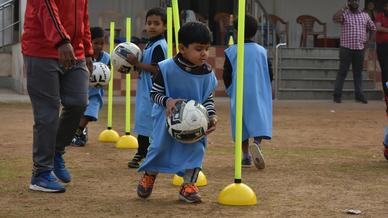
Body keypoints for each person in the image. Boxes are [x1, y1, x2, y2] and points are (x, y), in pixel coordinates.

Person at [136, 22, 217, 203]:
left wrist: (211, 116)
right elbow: (154, 93)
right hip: (166, 120)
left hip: (196, 122)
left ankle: (188, 186)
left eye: (207, 49)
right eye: (198, 49)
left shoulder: (207, 73)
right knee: (158, 148)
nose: (204, 53)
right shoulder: (166, 68)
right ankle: (150, 174)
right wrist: (168, 101)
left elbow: (208, 99)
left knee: (196, 150)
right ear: (182, 48)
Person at [22, 0, 93, 193]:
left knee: (79, 103)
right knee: (47, 113)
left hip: (74, 51)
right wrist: (61, 40)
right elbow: (46, 7)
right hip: (42, 50)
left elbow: (83, 17)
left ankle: (56, 152)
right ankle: (41, 173)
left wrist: (87, 50)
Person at [222, 14, 272, 169]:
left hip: (239, 92)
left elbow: (226, 74)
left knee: (240, 123)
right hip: (259, 91)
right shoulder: (262, 51)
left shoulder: (231, 51)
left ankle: (244, 155)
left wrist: (230, 90)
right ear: (255, 32)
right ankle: (256, 143)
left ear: (237, 31)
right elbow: (269, 72)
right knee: (259, 118)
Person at [124, 7, 168, 168]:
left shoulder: (159, 45)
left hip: (154, 91)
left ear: (164, 27)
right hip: (145, 90)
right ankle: (142, 152)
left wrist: (137, 63)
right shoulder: (151, 43)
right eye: (149, 23)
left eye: (156, 23)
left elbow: (157, 68)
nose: (152, 26)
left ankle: (147, 153)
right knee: (143, 122)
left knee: (152, 123)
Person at [70, 27, 110, 147]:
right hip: (81, 91)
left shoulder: (106, 58)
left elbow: (109, 72)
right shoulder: (82, 56)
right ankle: (81, 133)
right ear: (89, 42)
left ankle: (77, 133)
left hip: (95, 93)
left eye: (102, 43)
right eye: (96, 43)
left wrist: (105, 79)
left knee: (90, 114)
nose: (99, 46)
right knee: (79, 113)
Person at [333, 0, 376, 104]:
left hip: (360, 49)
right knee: (342, 72)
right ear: (349, 2)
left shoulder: (365, 15)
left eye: (356, 0)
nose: (354, 2)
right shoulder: (345, 15)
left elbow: (373, 28)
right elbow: (335, 18)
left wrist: (368, 43)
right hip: (346, 48)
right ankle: (337, 96)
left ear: (359, 2)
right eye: (352, 1)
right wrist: (344, 8)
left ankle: (359, 95)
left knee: (358, 74)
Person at [376, 2, 388, 115]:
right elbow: (378, 28)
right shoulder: (380, 15)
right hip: (382, 47)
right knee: (385, 70)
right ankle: (386, 95)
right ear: (385, 7)